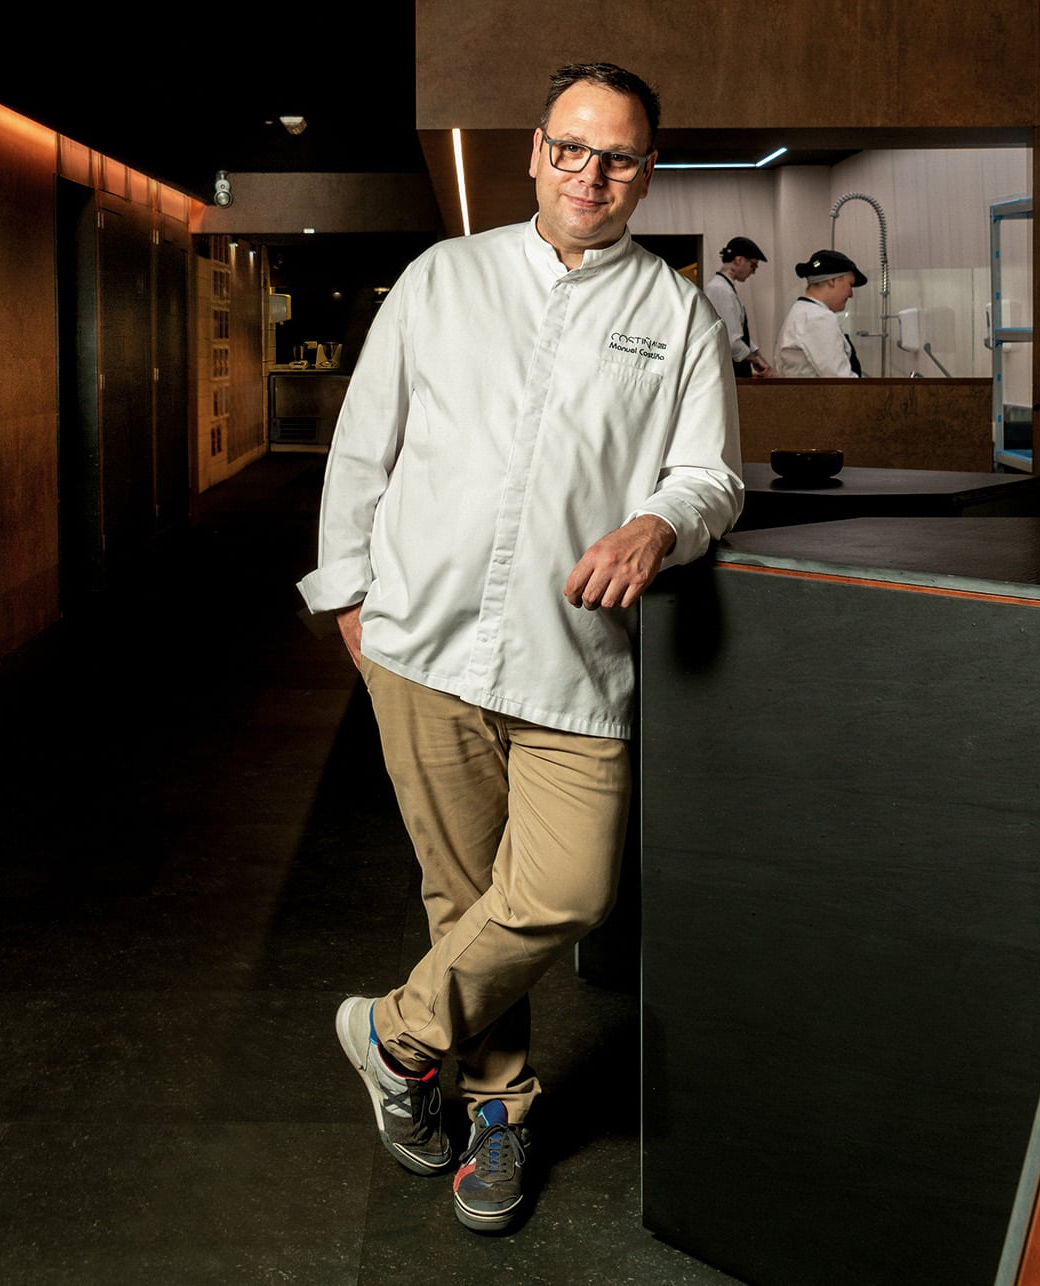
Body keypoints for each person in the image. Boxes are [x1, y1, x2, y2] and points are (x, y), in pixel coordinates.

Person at [294, 61, 743, 1235]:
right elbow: (364, 444)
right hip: (422, 642)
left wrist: (658, 523)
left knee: (569, 887)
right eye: (571, 149)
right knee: (463, 898)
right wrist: (348, 592)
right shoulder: (443, 278)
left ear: (646, 173)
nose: (590, 174)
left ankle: (392, 1035)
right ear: (535, 152)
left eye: (618, 157)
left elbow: (711, 475)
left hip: (573, 657)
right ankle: (498, 1114)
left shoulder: (677, 314)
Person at [775, 249, 867, 377]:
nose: (851, 294)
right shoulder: (818, 318)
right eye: (850, 284)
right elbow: (839, 379)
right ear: (832, 280)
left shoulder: (803, 311)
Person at [702, 236, 773, 377]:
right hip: (727, 371)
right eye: (753, 265)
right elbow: (731, 340)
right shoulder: (719, 290)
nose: (753, 271)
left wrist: (757, 355)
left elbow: (737, 334)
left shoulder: (725, 289)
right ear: (739, 260)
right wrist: (755, 360)